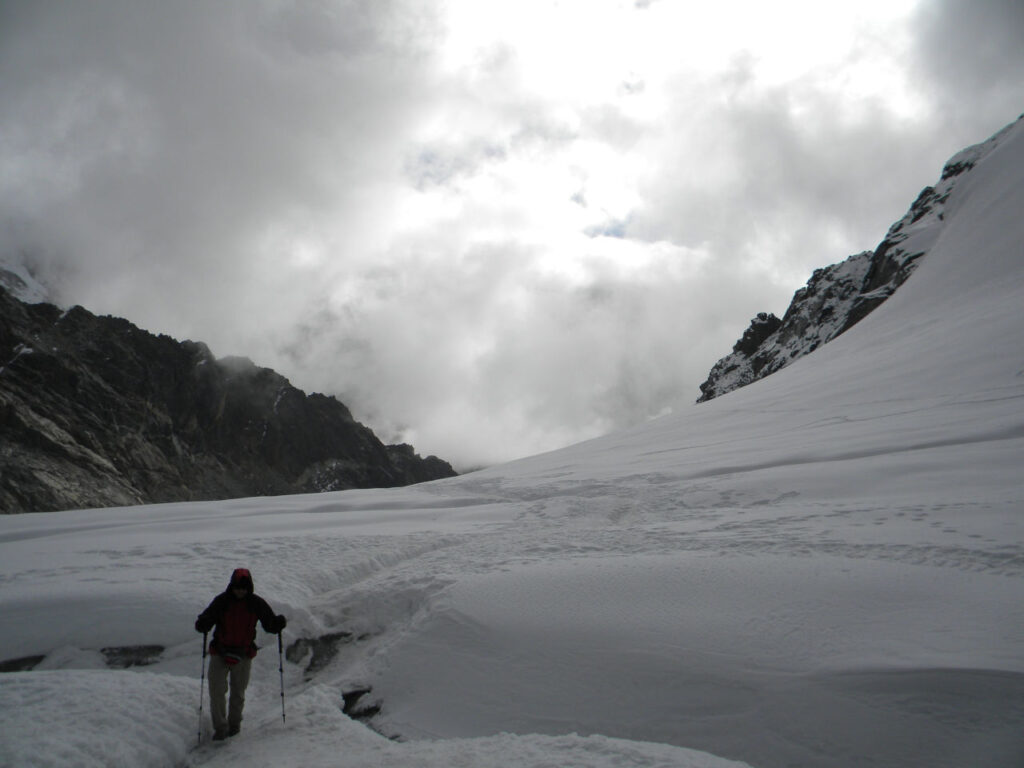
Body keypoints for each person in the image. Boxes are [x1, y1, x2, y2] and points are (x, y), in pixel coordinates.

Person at [195, 568, 287, 740]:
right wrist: (203, 623)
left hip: (243, 654)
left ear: (249, 588)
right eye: (238, 588)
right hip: (220, 652)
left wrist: (278, 624)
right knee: (216, 691)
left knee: (238, 693)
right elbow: (207, 617)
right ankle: (221, 729)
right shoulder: (222, 601)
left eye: (244, 588)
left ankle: (234, 726)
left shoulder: (255, 603)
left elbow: (269, 624)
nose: (240, 591)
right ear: (232, 586)